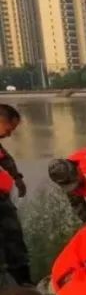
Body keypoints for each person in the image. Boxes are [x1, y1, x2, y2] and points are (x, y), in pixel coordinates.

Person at [0, 104, 30, 285]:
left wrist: (18, 179)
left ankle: (23, 282)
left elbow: (6, 160)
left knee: (13, 239)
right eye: (9, 129)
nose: (9, 134)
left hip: (2, 200)